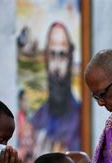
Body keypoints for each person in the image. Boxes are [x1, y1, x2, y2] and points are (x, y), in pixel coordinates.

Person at [32, 22, 81, 154]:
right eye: (52, 55)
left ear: (70, 59)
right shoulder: (38, 118)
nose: (57, 67)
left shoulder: (80, 117)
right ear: (46, 60)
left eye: (62, 55)